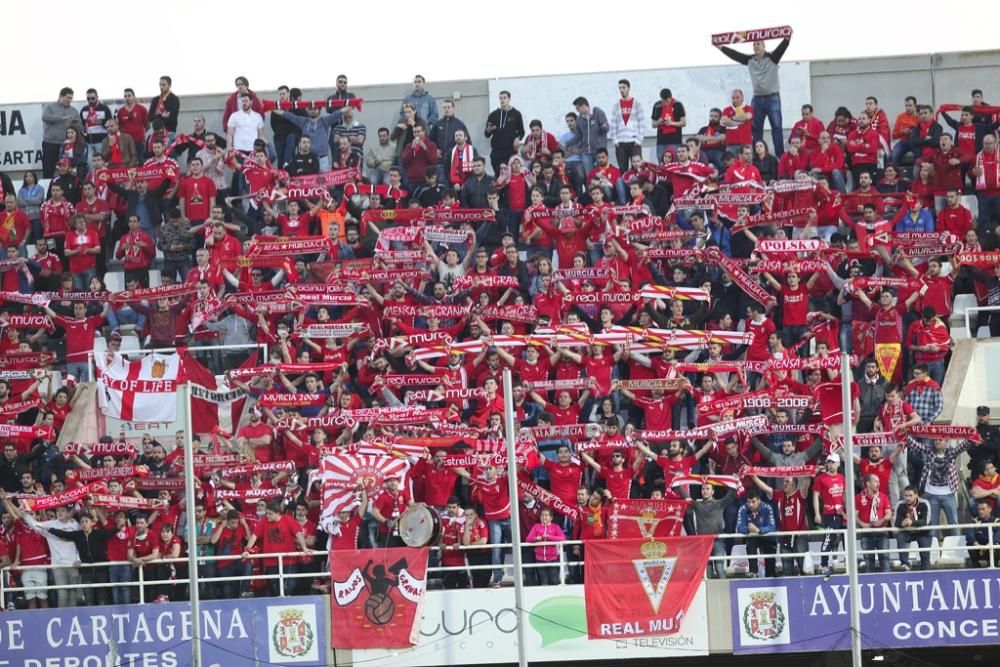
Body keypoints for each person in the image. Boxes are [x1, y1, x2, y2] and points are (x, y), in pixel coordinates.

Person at [716, 34, 791, 155]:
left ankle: (779, 157)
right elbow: (735, 55)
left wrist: (787, 38)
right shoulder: (750, 60)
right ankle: (757, 155)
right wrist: (720, 47)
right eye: (754, 44)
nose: (756, 46)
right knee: (756, 129)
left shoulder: (773, 57)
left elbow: (782, 47)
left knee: (777, 128)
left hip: (773, 98)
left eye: (758, 44)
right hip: (757, 98)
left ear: (764, 46)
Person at [241, 501, 307, 598]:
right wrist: (247, 550)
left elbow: (299, 534)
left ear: (278, 513)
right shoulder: (263, 521)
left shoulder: (288, 519)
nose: (267, 515)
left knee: (291, 584)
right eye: (267, 513)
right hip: (270, 561)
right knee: (274, 587)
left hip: (289, 560)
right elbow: (254, 536)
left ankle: (285, 601)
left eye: (270, 514)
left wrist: (304, 547)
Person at [813, 452, 846, 576]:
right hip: (829, 513)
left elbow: (845, 495)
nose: (830, 465)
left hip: (842, 513)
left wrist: (848, 511)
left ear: (838, 464)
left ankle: (848, 562)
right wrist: (817, 513)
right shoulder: (821, 478)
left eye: (833, 462)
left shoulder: (842, 477)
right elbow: (815, 496)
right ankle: (824, 565)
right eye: (829, 462)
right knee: (829, 538)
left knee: (846, 538)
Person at [855, 473, 892, 572]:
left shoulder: (883, 497)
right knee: (868, 564)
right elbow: (854, 515)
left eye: (878, 481)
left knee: (885, 562)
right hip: (866, 533)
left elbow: (888, 513)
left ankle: (887, 582)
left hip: (882, 532)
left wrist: (882, 521)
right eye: (875, 481)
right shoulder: (858, 497)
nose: (878, 484)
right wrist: (863, 525)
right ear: (867, 483)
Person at [737, 490, 777, 578]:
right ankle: (753, 572)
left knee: (770, 551)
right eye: (748, 502)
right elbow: (739, 527)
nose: (750, 504)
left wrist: (758, 529)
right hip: (753, 536)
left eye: (753, 502)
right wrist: (748, 529)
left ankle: (771, 576)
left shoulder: (767, 507)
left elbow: (772, 527)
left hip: (767, 537)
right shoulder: (743, 508)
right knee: (750, 541)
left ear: (759, 501)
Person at [485, 91, 525, 177]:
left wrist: (517, 138)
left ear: (509, 99)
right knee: (498, 176)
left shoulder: (516, 114)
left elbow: (521, 131)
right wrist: (489, 130)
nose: (502, 100)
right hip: (496, 152)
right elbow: (486, 134)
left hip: (510, 151)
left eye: (504, 98)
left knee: (510, 175)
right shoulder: (493, 115)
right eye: (500, 98)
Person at [41, 88, 79, 178]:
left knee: (67, 168)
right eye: (68, 98)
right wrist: (61, 118)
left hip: (67, 145)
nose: (69, 100)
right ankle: (48, 189)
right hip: (50, 143)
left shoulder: (74, 110)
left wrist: (75, 124)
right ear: (61, 96)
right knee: (48, 169)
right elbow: (45, 117)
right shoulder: (50, 107)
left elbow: (79, 125)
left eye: (71, 98)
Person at [609, 79, 646, 171]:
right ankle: (625, 185)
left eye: (624, 87)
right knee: (623, 169)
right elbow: (613, 123)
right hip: (620, 143)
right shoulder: (616, 105)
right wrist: (615, 140)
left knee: (637, 168)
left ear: (629, 88)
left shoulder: (637, 104)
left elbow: (642, 123)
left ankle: (637, 185)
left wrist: (639, 140)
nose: (621, 90)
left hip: (634, 141)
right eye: (620, 88)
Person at [523, 508, 565, 586]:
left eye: (546, 515)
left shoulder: (555, 527)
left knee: (554, 580)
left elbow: (562, 538)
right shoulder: (536, 526)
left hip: (553, 558)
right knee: (543, 581)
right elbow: (528, 539)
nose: (544, 517)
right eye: (542, 515)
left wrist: (549, 537)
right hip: (540, 559)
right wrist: (535, 539)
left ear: (551, 518)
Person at [894, 485, 932, 571]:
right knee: (900, 536)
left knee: (925, 556)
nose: (908, 498)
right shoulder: (900, 504)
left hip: (923, 533)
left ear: (916, 495)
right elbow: (896, 522)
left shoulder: (925, 503)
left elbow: (926, 522)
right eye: (906, 496)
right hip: (907, 532)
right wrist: (902, 523)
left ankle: (926, 571)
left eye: (910, 496)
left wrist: (912, 523)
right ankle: (905, 565)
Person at [651, 88, 686, 163]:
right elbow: (653, 125)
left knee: (675, 162)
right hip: (661, 140)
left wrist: (672, 123)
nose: (665, 103)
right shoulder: (657, 105)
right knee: (661, 161)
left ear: (671, 97)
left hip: (675, 140)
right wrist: (659, 122)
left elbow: (683, 122)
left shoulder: (678, 104)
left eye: (667, 101)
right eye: (663, 101)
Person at [966, 499, 1000, 567]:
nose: (980, 512)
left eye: (983, 509)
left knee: (997, 544)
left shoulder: (996, 521)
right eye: (979, 509)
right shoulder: (975, 521)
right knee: (969, 544)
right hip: (979, 548)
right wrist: (976, 544)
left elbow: (998, 536)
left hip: (991, 548)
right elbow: (969, 534)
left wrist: (989, 545)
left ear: (990, 509)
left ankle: (993, 567)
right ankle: (976, 569)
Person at [721, 89, 753, 156]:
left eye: (737, 97)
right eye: (733, 98)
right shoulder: (727, 109)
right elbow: (724, 121)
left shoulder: (748, 108)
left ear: (742, 97)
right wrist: (739, 121)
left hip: (746, 143)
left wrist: (732, 118)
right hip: (731, 144)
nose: (735, 100)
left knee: (747, 164)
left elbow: (747, 116)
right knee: (731, 164)